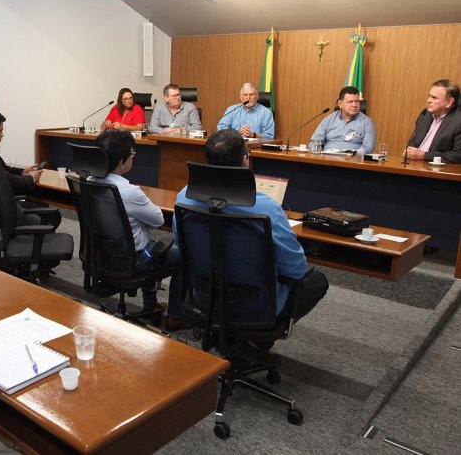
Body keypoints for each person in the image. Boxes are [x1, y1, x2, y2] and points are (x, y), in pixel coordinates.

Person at [174, 129, 328, 324]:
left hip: (204, 295)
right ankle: (254, 341)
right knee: (318, 281)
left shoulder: (184, 197)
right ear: (245, 159)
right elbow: (296, 269)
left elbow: (182, 246)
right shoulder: (267, 207)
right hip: (256, 304)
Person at [93, 130, 186, 330]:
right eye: (132, 152)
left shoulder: (90, 181)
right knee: (182, 255)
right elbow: (159, 219)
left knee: (149, 243)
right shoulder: (129, 192)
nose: (134, 155)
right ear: (121, 160)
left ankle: (151, 305)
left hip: (102, 255)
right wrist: (141, 220)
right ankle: (175, 316)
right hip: (132, 259)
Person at [0, 108, 57, 231]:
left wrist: (22, 171)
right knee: (52, 217)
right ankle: (27, 244)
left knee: (45, 208)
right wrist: (30, 178)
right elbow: (5, 180)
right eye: (0, 130)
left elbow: (2, 169)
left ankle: (28, 243)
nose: (2, 134)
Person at [404, 79, 461, 164]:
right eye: (429, 96)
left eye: (434, 98)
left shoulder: (458, 122)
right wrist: (410, 152)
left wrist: (424, 156)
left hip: (438, 171)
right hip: (414, 165)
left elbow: (458, 155)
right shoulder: (425, 114)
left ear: (449, 102)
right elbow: (414, 141)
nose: (428, 100)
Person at [309, 86, 376, 154]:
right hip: (328, 159)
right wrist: (317, 152)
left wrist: (350, 154)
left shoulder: (366, 122)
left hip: (352, 161)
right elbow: (314, 142)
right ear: (340, 104)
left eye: (357, 101)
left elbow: (368, 148)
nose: (355, 105)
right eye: (350, 102)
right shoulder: (329, 120)